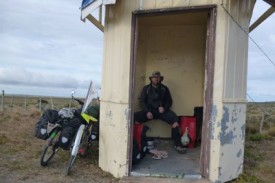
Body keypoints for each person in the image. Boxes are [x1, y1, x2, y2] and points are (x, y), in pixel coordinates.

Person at [134, 71, 186, 154]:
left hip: (161, 111)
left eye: (157, 77)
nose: (156, 79)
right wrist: (147, 111)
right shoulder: (146, 88)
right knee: (134, 118)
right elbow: (142, 102)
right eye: (154, 77)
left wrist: (164, 108)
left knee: (175, 120)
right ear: (151, 79)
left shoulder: (164, 88)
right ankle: (137, 142)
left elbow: (169, 101)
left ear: (160, 79)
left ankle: (177, 145)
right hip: (150, 111)